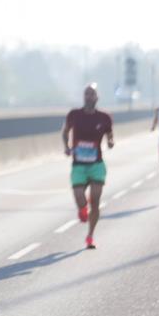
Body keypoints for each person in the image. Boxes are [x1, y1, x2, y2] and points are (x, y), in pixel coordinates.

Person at [62, 83, 114, 249]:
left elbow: (109, 133)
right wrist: (66, 146)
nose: (89, 97)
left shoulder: (104, 117)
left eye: (92, 94)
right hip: (79, 165)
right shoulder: (74, 114)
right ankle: (82, 209)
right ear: (83, 97)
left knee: (96, 202)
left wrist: (111, 141)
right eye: (86, 94)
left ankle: (90, 236)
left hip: (96, 165)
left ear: (97, 98)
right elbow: (65, 131)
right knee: (79, 198)